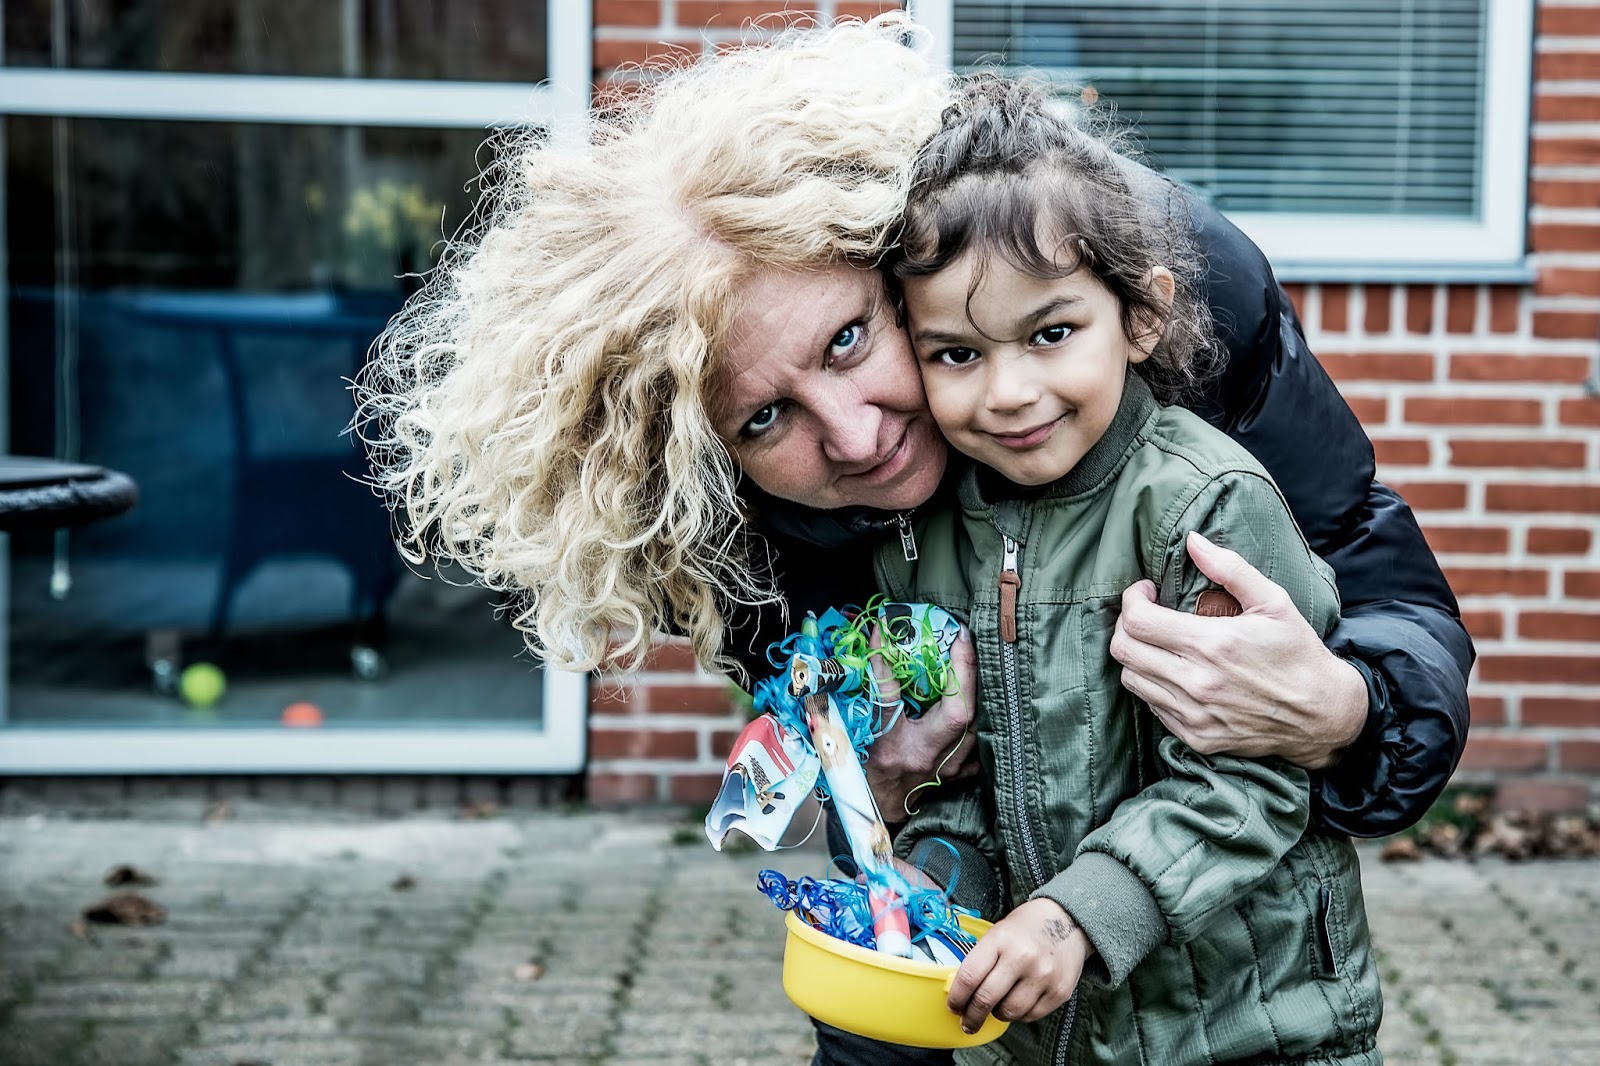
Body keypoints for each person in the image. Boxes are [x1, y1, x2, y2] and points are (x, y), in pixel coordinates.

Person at [352, 11, 1465, 1059]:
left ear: (906, 268)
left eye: (846, 340)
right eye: (765, 417)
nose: (854, 436)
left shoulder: (1125, 288)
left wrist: (1342, 711)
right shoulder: (739, 532)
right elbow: (855, 854)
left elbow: (1379, 613)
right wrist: (883, 812)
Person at [870, 71, 1380, 1065]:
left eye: (1050, 334)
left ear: (1140, 316)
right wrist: (935, 876)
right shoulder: (925, 533)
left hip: (1250, 1029)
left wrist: (1078, 915)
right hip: (1043, 1039)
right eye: (956, 354)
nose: (1008, 391)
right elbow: (965, 775)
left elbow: (1249, 784)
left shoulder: (1203, 507)